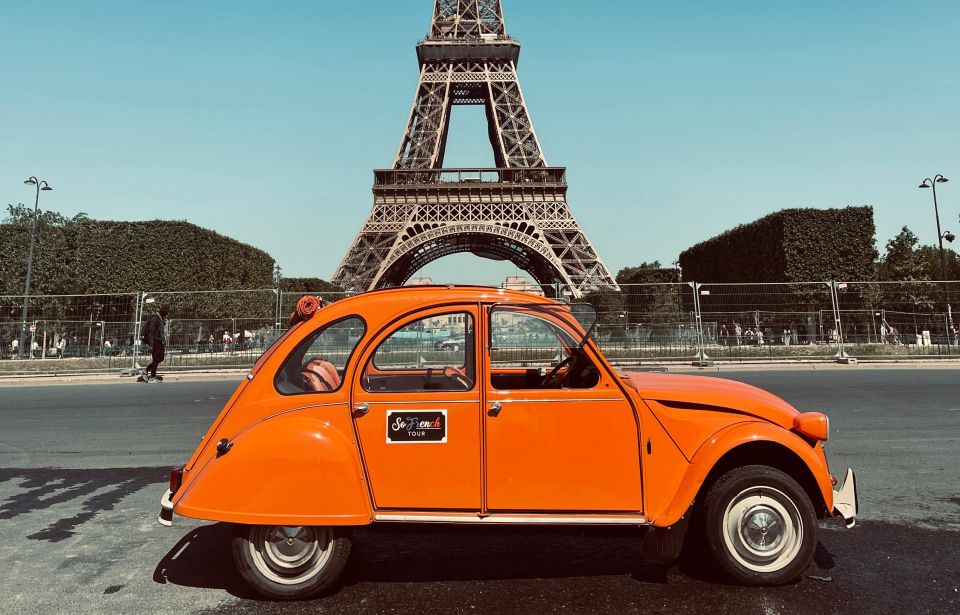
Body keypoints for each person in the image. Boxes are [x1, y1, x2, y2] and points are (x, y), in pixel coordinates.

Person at [139, 304, 170, 383]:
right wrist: (151, 344)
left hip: (159, 341)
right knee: (156, 358)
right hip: (154, 341)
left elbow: (160, 331)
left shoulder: (160, 318)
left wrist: (163, 340)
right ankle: (152, 376)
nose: (167, 313)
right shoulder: (155, 317)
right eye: (166, 310)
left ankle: (146, 370)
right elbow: (151, 331)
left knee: (161, 358)